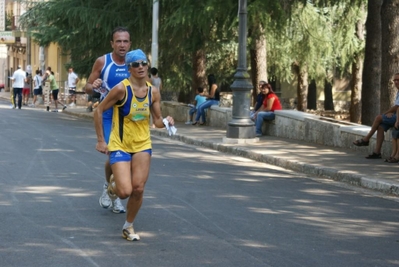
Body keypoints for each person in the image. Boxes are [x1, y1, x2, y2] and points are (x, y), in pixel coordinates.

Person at [94, 49, 174, 241]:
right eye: (136, 64)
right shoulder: (122, 89)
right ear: (129, 68)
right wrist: (100, 140)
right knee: (124, 192)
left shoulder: (153, 92)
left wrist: (167, 122)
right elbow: (99, 111)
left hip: (142, 144)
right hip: (120, 144)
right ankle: (112, 187)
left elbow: (156, 121)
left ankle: (128, 226)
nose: (140, 67)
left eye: (143, 63)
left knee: (138, 188)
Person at [85, 26, 131, 214]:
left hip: (128, 119)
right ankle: (110, 188)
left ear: (130, 44)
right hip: (107, 115)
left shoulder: (135, 62)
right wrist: (94, 86)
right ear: (112, 43)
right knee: (114, 154)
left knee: (125, 158)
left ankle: (113, 189)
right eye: (118, 41)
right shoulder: (103, 62)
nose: (122, 45)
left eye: (125, 41)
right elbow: (88, 87)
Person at [353, 73, 399, 159]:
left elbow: (397, 107)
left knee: (379, 117)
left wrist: (385, 114)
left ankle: (366, 139)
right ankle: (377, 152)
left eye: (398, 80)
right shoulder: (398, 92)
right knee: (381, 126)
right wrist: (391, 113)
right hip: (396, 115)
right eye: (395, 80)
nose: (396, 82)